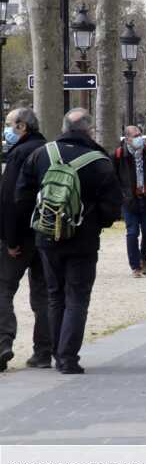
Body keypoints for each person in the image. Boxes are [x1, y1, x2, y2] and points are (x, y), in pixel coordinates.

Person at [14, 109, 121, 373]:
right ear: (88, 130)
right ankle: (68, 357)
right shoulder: (100, 161)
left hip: (47, 236)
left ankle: (54, 352)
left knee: (54, 295)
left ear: (63, 128)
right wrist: (95, 222)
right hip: (83, 238)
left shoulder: (41, 155)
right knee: (77, 297)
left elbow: (22, 196)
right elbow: (112, 208)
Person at [0, 107, 51, 371]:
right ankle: (43, 351)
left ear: (22, 126)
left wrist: (10, 240)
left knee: (3, 289)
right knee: (43, 295)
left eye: (8, 124)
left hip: (20, 236)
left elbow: (10, 200)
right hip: (46, 233)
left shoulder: (18, 154)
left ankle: (3, 342)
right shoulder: (49, 150)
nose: (6, 129)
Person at [113, 125, 146, 278]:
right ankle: (135, 266)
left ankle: (143, 256)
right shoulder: (119, 155)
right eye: (135, 135)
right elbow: (114, 178)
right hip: (130, 200)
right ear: (127, 139)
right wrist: (122, 196)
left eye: (140, 134)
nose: (139, 137)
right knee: (132, 233)